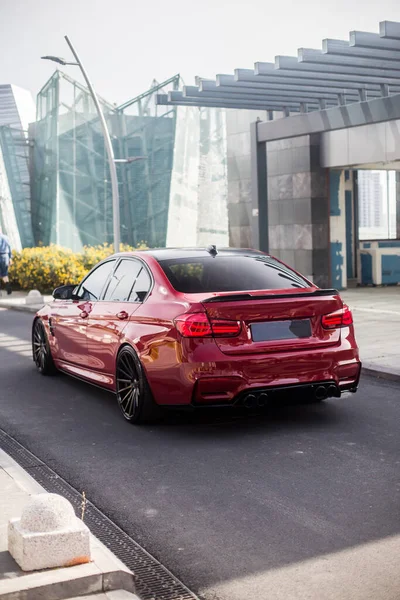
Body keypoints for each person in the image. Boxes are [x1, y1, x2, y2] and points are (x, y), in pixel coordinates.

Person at [0, 230, 12, 295]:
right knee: (5, 274)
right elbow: (9, 248)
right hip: (5, 256)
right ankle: (8, 288)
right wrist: (10, 258)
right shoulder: (6, 237)